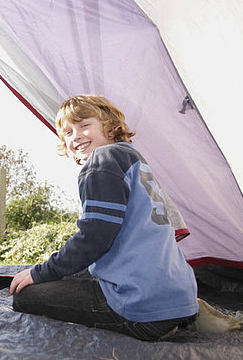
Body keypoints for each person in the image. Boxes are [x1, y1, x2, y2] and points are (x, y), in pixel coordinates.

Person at [10, 94, 198, 341]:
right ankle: (182, 315)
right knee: (78, 274)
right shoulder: (133, 159)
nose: (75, 135)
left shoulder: (102, 161)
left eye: (84, 125)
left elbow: (94, 239)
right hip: (181, 297)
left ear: (110, 128)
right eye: (67, 132)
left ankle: (158, 320)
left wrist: (41, 273)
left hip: (141, 310)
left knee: (26, 296)